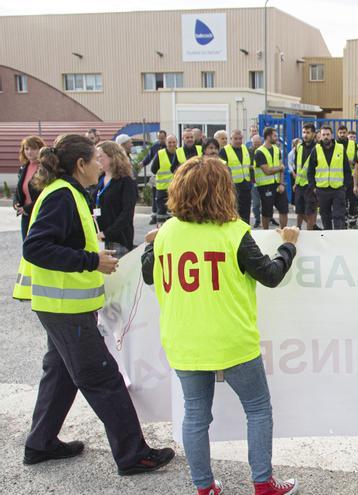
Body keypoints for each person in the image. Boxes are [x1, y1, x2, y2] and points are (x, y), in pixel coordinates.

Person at [13, 134, 175, 476]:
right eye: (96, 159)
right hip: (64, 308)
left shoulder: (68, 193)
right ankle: (133, 454)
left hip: (61, 306)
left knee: (60, 375)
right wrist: (91, 261)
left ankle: (40, 444)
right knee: (103, 378)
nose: (101, 164)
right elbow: (36, 247)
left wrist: (93, 256)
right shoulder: (63, 196)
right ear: (81, 165)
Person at [141, 156, 301, 495]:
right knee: (257, 408)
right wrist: (289, 245)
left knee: (196, 415)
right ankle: (263, 483)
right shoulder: (233, 232)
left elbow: (147, 274)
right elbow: (271, 275)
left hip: (184, 340)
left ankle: (205, 488)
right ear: (223, 192)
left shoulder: (167, 233)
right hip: (231, 339)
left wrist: (149, 245)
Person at [94, 141, 138, 257]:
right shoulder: (100, 179)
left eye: (100, 157)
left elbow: (127, 213)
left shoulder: (126, 181)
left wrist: (107, 233)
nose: (97, 161)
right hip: (99, 238)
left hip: (118, 240)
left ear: (113, 157)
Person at [307, 126, 351, 230]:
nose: (326, 137)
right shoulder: (316, 150)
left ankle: (337, 238)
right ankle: (328, 236)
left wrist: (344, 187)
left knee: (338, 216)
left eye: (327, 134)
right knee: (325, 216)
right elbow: (310, 171)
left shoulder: (340, 148)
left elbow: (347, 170)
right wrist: (314, 187)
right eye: (323, 135)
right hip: (322, 190)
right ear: (320, 136)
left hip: (338, 189)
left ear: (332, 135)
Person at [254, 127, 288, 230]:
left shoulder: (277, 150)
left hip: (277, 184)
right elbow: (267, 171)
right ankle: (265, 231)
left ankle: (283, 231)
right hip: (265, 186)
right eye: (274, 136)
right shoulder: (259, 152)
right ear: (268, 137)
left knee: (284, 209)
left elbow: (282, 168)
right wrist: (280, 168)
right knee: (267, 211)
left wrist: (281, 184)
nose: (276, 138)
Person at [14, 135, 45, 240]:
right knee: (26, 246)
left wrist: (26, 208)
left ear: (41, 149)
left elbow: (44, 195)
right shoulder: (23, 168)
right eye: (26, 149)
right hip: (26, 216)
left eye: (33, 148)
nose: (29, 152)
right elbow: (19, 190)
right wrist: (16, 203)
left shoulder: (44, 168)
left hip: (40, 214)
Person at [220, 129, 255, 223]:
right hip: (232, 187)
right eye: (236, 139)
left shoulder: (245, 148)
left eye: (240, 138)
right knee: (234, 214)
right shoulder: (224, 151)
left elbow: (249, 166)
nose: (238, 141)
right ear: (231, 139)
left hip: (246, 186)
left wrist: (251, 181)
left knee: (246, 213)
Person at [292, 124, 319, 230]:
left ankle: (311, 232)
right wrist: (295, 183)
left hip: (311, 185)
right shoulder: (299, 147)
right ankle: (298, 229)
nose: (305, 135)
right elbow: (297, 167)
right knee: (299, 211)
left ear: (313, 134)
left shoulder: (318, 148)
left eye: (308, 132)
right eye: (304, 132)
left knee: (310, 212)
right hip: (299, 185)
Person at [151, 134, 181, 222]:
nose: (172, 144)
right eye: (169, 142)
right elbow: (153, 169)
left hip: (177, 188)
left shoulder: (180, 152)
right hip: (162, 189)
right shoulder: (160, 154)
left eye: (174, 142)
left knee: (175, 214)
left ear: (177, 143)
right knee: (161, 214)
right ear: (166, 143)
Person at [337, 126, 358, 227]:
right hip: (338, 176)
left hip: (351, 176)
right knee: (342, 200)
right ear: (338, 133)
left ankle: (353, 221)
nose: (342, 134)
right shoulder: (334, 144)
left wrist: (352, 162)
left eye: (344, 132)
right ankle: (343, 221)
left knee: (353, 200)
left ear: (346, 133)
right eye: (340, 132)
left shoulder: (353, 144)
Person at [248, 134, 263, 228]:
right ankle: (257, 220)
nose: (257, 145)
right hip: (254, 181)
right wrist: (254, 167)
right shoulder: (249, 151)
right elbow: (246, 165)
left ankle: (269, 218)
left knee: (266, 202)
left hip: (264, 181)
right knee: (256, 203)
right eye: (255, 143)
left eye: (258, 143)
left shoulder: (263, 150)